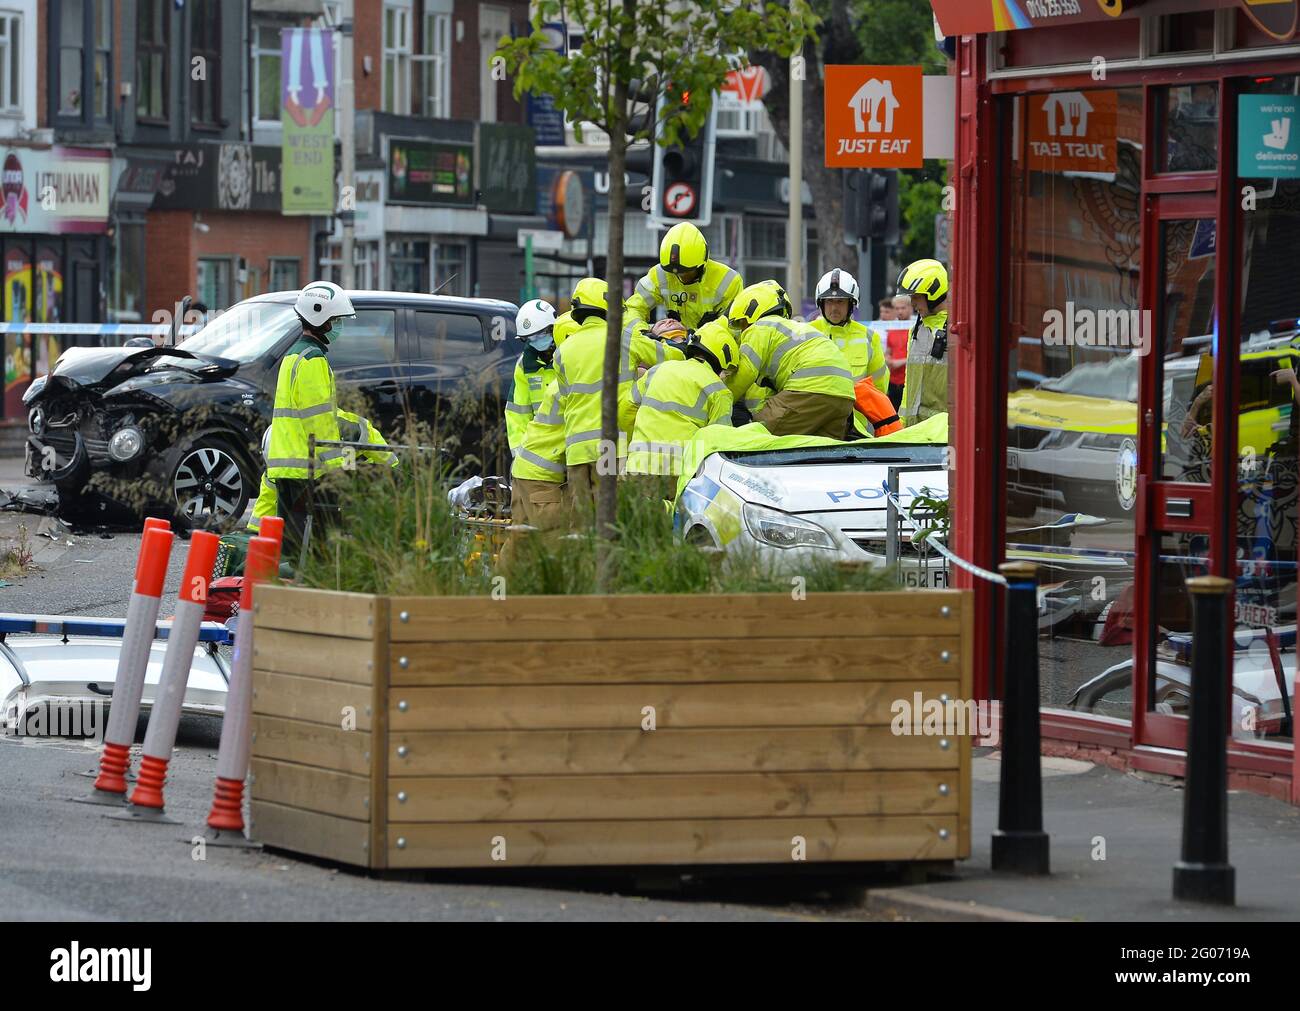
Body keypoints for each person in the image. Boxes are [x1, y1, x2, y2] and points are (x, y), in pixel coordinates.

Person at [265, 281, 393, 554]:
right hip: (306, 468)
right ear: (320, 318)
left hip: (289, 465)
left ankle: (287, 590)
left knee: (292, 545)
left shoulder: (294, 355)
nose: (338, 326)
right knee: (317, 546)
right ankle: (311, 594)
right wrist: (338, 469)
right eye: (335, 320)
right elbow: (320, 421)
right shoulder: (312, 360)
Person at [552, 277, 683, 512]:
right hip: (610, 444)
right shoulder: (621, 338)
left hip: (575, 449)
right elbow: (670, 358)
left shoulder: (563, 351)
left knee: (581, 522)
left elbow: (564, 396)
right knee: (609, 517)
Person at [724, 280, 856, 439]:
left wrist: (718, 396)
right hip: (844, 396)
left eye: (741, 323)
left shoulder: (760, 327)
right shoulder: (795, 329)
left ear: (752, 314)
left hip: (811, 388)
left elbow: (744, 374)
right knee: (819, 451)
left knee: (757, 435)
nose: (742, 329)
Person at [621, 321, 735, 488]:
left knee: (639, 514)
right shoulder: (720, 392)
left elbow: (625, 410)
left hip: (639, 465)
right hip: (681, 472)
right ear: (721, 357)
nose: (725, 376)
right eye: (727, 371)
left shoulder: (657, 370)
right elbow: (721, 443)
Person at [623, 222, 744, 338]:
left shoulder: (728, 281)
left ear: (702, 263)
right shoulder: (659, 274)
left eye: (687, 272)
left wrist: (694, 336)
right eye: (675, 273)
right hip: (671, 343)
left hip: (709, 350)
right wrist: (643, 332)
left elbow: (734, 327)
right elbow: (633, 308)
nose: (681, 276)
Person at [809, 268, 888, 392]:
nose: (834, 307)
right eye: (829, 301)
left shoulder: (869, 337)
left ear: (851, 304)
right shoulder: (805, 334)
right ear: (821, 303)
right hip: (817, 411)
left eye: (840, 301)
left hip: (856, 411)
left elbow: (879, 387)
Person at [896, 258, 950, 426]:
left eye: (916, 297)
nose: (912, 303)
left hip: (941, 433)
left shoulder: (956, 331)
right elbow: (909, 382)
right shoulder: (915, 331)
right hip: (913, 431)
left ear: (933, 292)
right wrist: (901, 423)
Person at [505, 299, 558, 457]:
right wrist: (519, 453)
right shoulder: (524, 365)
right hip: (542, 447)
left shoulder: (569, 354)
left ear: (553, 328)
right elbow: (517, 413)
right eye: (530, 338)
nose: (536, 341)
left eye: (539, 335)